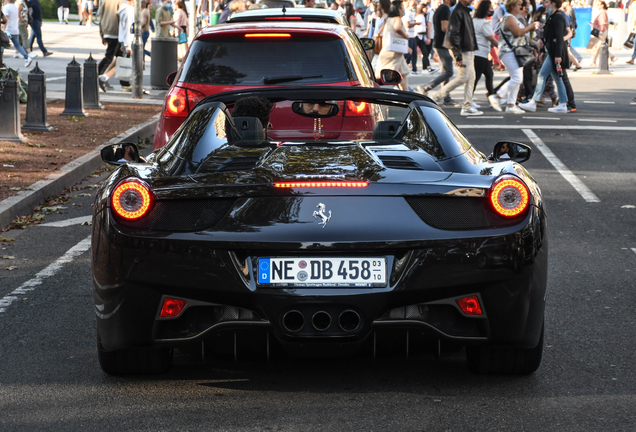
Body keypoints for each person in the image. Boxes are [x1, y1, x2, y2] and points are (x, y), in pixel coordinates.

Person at [430, 0, 483, 116]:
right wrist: (458, 55)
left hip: (467, 49)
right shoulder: (458, 11)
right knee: (463, 77)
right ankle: (437, 96)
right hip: (462, 50)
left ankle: (467, 106)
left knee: (470, 78)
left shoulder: (463, 11)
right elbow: (453, 34)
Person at [520, 0, 568, 113]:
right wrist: (542, 46)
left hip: (554, 53)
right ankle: (562, 103)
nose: (544, 5)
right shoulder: (551, 16)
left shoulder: (558, 17)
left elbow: (559, 37)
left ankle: (534, 102)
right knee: (557, 78)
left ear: (553, 3)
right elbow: (548, 34)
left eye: (547, 2)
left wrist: (557, 55)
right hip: (551, 52)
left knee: (543, 76)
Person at [492, 0, 538, 114]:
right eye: (518, 5)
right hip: (508, 51)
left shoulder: (514, 17)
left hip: (515, 51)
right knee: (517, 78)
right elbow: (518, 32)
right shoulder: (509, 18)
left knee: (517, 78)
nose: (520, 7)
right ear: (512, 6)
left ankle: (511, 105)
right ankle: (497, 96)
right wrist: (531, 26)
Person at [419, 0, 457, 106]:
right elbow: (445, 28)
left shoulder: (440, 9)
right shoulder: (444, 9)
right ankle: (426, 87)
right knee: (448, 72)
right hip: (442, 44)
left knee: (445, 72)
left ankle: (446, 98)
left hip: (439, 43)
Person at [375, 0, 411, 91]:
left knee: (403, 73)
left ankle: (407, 95)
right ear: (399, 9)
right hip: (393, 53)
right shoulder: (397, 19)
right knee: (382, 74)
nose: (403, 10)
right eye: (402, 8)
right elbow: (397, 28)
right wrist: (405, 35)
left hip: (394, 50)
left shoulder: (389, 18)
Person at [472, 0, 500, 111]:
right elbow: (491, 38)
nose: (492, 10)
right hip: (480, 53)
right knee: (477, 77)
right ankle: (469, 100)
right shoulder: (483, 23)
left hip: (478, 53)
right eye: (490, 8)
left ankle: (491, 96)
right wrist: (501, 48)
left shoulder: (474, 21)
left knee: (489, 74)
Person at [2, 0, 36, 67]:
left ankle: (1, 59)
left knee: (2, 44)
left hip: (8, 29)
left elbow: (6, 19)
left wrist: (3, 29)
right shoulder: (15, 6)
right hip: (15, 29)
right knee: (18, 45)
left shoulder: (6, 7)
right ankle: (27, 57)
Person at [98, 0, 123, 90]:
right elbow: (121, 18)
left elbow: (101, 16)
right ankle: (100, 76)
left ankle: (102, 76)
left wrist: (102, 33)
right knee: (111, 57)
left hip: (107, 31)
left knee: (118, 57)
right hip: (115, 32)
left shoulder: (105, 1)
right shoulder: (119, 2)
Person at [589, 1, 616, 66]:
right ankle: (594, 61)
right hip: (599, 31)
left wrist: (600, 32)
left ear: (602, 5)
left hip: (601, 31)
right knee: (597, 46)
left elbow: (603, 23)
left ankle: (611, 56)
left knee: (599, 46)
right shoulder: (602, 12)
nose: (597, 6)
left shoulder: (603, 13)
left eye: (598, 5)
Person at [402, 0, 418, 74]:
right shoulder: (408, 13)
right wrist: (416, 23)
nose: (414, 6)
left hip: (412, 35)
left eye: (414, 5)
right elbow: (407, 25)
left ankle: (414, 69)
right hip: (409, 35)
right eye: (412, 5)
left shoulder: (411, 13)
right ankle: (403, 66)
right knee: (408, 53)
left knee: (414, 53)